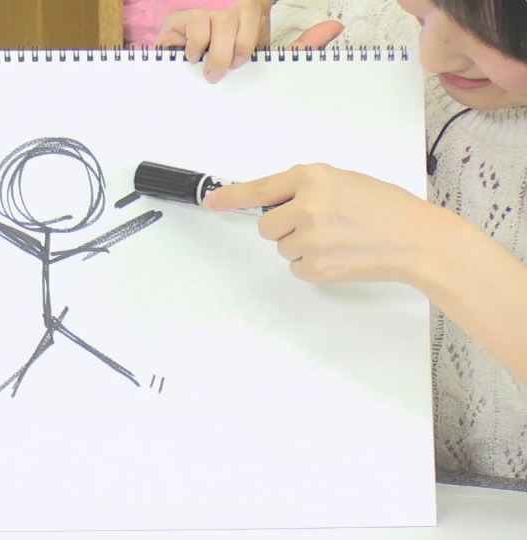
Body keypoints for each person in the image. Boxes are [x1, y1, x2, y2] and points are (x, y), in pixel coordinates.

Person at [157, 0, 527, 480]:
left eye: (487, 33)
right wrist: (224, 83)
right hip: (302, 482)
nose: (430, 56)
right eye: (420, 14)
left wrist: (431, 249)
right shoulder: (353, 30)